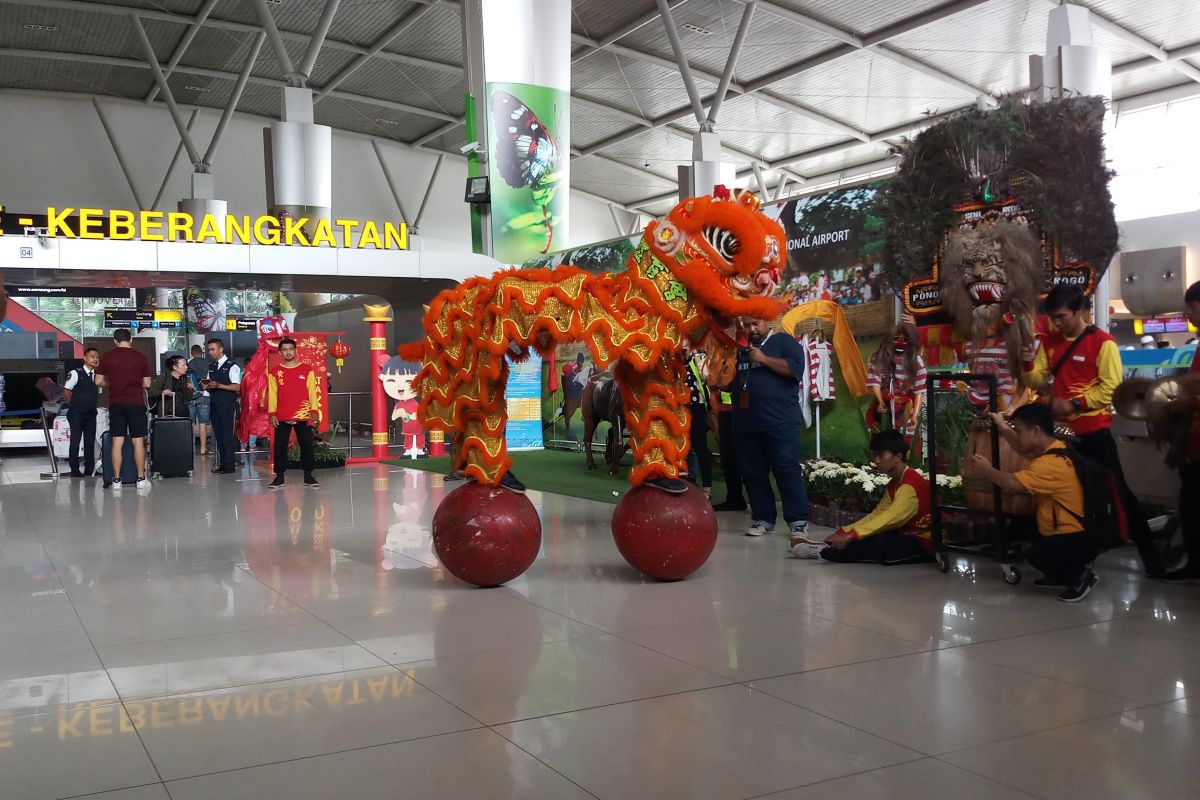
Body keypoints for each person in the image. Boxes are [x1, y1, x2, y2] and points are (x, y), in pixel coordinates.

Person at [1021, 285, 1163, 576]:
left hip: (1094, 431)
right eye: (1053, 318)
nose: (1057, 323)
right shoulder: (1050, 342)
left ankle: (1151, 556)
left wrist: (1075, 403)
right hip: (1062, 433)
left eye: (1062, 316)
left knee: (1117, 490)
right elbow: (1036, 380)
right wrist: (1026, 362)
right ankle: (1072, 555)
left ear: (1080, 311)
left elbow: (1112, 388)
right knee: (1070, 494)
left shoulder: (1103, 343)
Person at [968, 404, 1099, 601]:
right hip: (1077, 531)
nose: (1017, 435)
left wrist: (986, 470)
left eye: (1019, 430)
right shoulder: (1057, 449)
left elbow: (1012, 483)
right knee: (1022, 532)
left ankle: (1079, 577)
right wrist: (1003, 427)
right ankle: (1059, 574)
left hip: (1074, 536)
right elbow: (1022, 448)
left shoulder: (1051, 464)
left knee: (1037, 555)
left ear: (1036, 430)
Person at [791, 429, 932, 564]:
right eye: (874, 455)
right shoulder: (894, 483)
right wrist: (844, 532)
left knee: (878, 543)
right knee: (869, 536)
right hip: (906, 533)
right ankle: (826, 547)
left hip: (925, 542)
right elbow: (878, 514)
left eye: (881, 456)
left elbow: (891, 518)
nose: (876, 461)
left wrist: (852, 535)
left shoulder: (909, 485)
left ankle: (822, 552)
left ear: (898, 456)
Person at [731, 316, 810, 537]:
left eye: (755, 323)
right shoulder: (739, 348)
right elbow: (730, 380)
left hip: (781, 422)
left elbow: (795, 370)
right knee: (753, 473)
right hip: (746, 423)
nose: (751, 329)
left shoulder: (785, 342)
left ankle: (798, 522)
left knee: (787, 470)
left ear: (766, 321)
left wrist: (764, 359)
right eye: (747, 325)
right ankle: (763, 519)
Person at [1168, 281, 1200, 579]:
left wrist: (1188, 397)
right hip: (1195, 445)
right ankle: (1194, 562)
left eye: (1190, 309)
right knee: (1190, 506)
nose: (1189, 316)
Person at [95, 329, 151, 491]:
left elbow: (98, 381)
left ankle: (117, 480)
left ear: (115, 341)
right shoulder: (140, 358)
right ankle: (140, 479)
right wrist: (134, 384)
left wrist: (111, 384)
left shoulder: (107, 357)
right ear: (131, 339)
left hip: (116, 403)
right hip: (136, 403)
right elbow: (147, 384)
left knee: (117, 441)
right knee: (138, 440)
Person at [266, 337, 322, 488]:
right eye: (284, 349)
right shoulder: (275, 372)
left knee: (307, 445)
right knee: (280, 446)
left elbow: (312, 391)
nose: (288, 352)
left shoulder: (306, 369)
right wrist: (272, 414)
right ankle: (279, 477)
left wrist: (314, 410)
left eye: (290, 349)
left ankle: (308, 476)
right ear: (281, 352)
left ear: (296, 350)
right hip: (281, 416)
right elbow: (272, 394)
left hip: (303, 414)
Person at [204, 338, 241, 474]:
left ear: (221, 349)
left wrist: (219, 385)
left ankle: (230, 464)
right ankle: (223, 463)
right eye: (209, 350)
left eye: (213, 349)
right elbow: (209, 385)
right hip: (214, 404)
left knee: (227, 435)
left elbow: (237, 386)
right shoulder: (212, 366)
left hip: (227, 405)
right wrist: (206, 386)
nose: (210, 352)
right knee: (218, 435)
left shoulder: (232, 366)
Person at [63, 347, 101, 478]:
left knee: (90, 441)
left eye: (97, 357)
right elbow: (67, 391)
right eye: (92, 356)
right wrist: (73, 406)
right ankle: (74, 469)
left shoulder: (97, 375)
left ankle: (89, 469)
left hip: (91, 413)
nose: (95, 359)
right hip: (77, 413)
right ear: (85, 358)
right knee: (75, 440)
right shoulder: (75, 373)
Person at [683, 347, 713, 498]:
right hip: (680, 408)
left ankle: (707, 487)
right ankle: (686, 479)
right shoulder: (677, 361)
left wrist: (694, 355)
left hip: (697, 407)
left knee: (700, 446)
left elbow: (706, 376)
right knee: (682, 446)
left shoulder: (699, 356)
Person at [186, 344, 211, 455]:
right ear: (201, 352)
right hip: (204, 395)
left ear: (192, 352)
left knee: (190, 423)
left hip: (191, 395)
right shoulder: (208, 363)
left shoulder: (188, 364)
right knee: (203, 423)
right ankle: (203, 448)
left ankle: (189, 447)